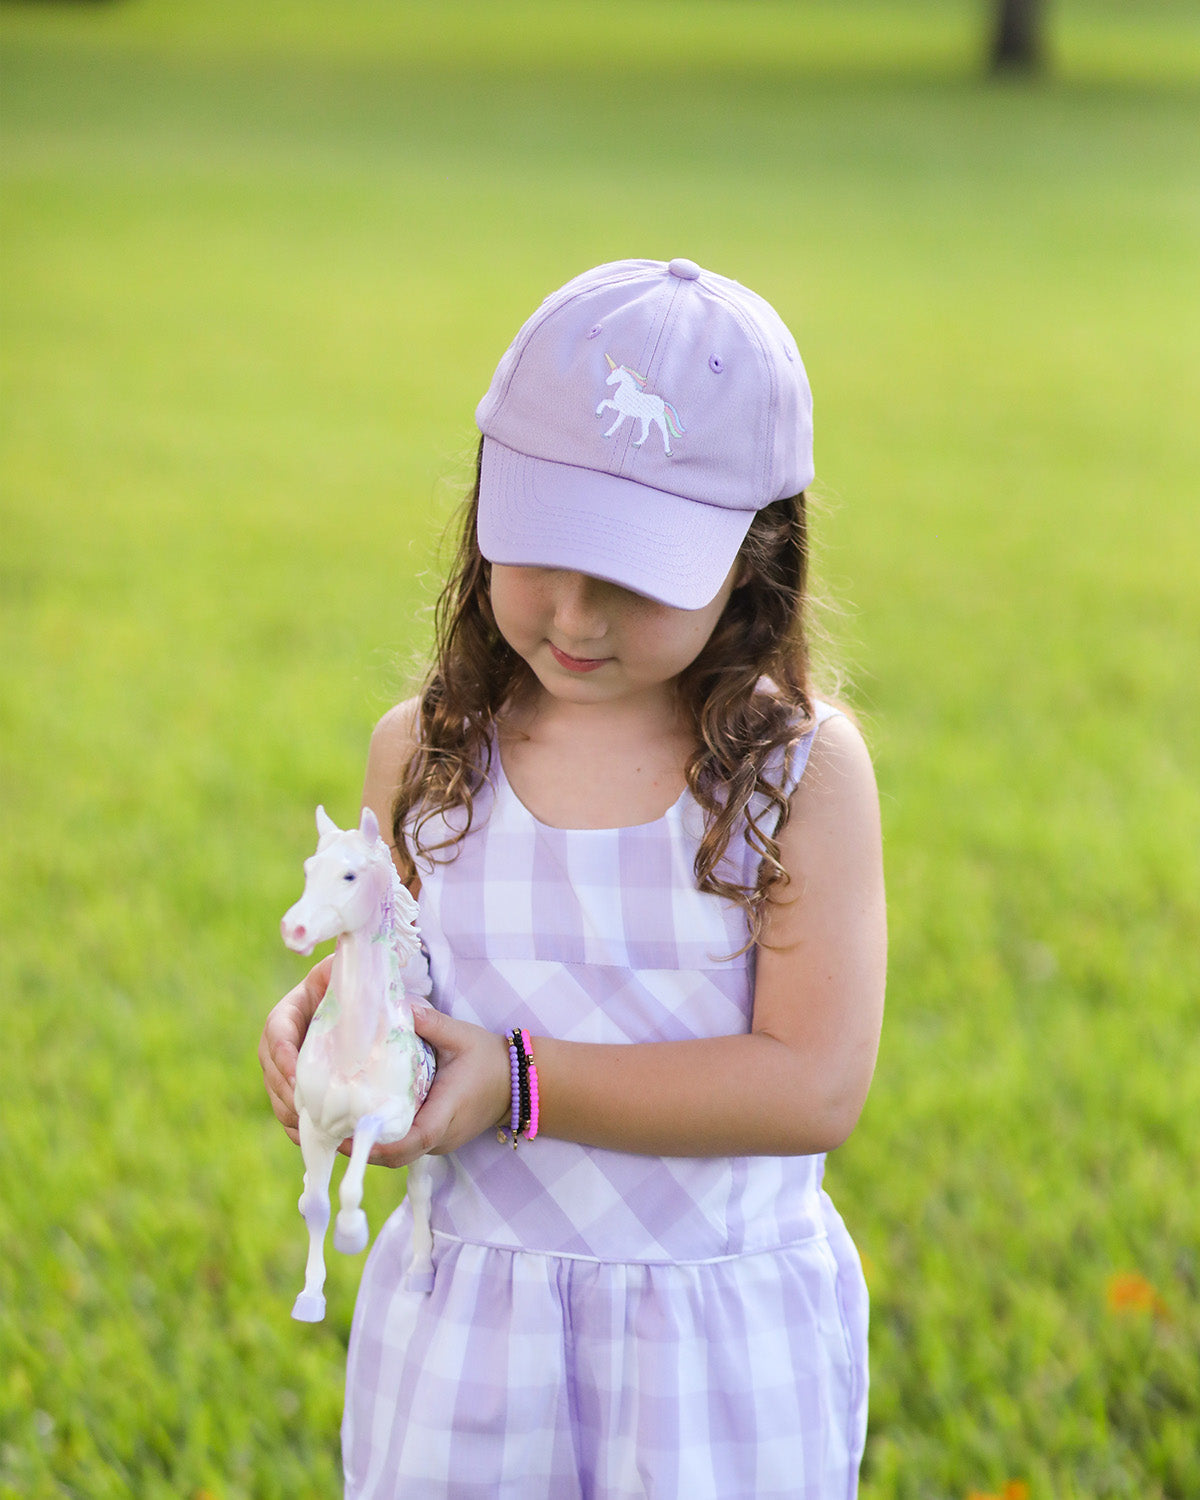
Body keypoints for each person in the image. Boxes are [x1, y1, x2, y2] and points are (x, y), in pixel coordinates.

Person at [259, 256, 886, 1499]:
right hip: (468, 1335)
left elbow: (812, 1086)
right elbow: (393, 975)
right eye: (544, 548)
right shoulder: (424, 753)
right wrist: (328, 1030)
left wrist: (523, 1083)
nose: (577, 612)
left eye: (636, 570)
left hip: (708, 1359)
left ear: (753, 559)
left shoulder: (795, 775)